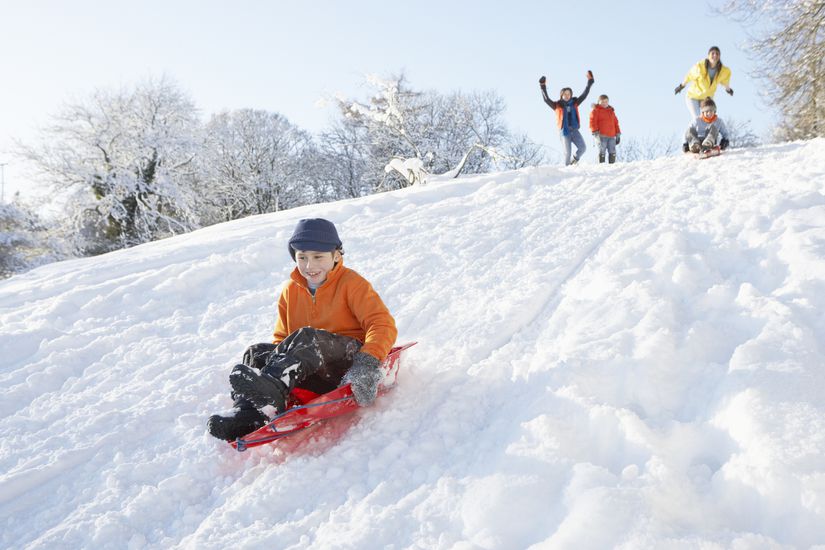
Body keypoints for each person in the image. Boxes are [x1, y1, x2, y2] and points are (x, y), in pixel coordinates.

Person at [207, 218, 398, 441]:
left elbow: (382, 323)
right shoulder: (291, 290)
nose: (309, 266)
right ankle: (249, 413)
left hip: (347, 362)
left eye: (318, 257)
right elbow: (281, 338)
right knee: (256, 351)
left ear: (336, 255)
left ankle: (274, 391)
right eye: (302, 257)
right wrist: (272, 359)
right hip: (309, 369)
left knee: (307, 336)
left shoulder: (352, 284)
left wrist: (367, 363)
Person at [540, 70, 595, 165]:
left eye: (568, 94)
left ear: (571, 95)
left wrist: (590, 82)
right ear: (561, 95)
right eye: (565, 94)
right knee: (567, 153)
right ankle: (567, 170)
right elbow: (546, 99)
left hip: (574, 130)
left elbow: (584, 94)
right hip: (564, 132)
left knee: (583, 148)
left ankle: (574, 160)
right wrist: (542, 86)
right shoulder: (557, 105)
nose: (567, 95)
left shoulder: (575, 103)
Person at [674, 46, 733, 120]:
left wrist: (728, 89)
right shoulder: (700, 67)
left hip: (706, 98)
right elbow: (689, 76)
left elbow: (725, 80)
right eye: (713, 53)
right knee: (698, 118)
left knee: (708, 118)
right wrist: (681, 86)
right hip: (693, 97)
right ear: (708, 56)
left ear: (719, 56)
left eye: (717, 54)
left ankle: (709, 131)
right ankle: (693, 130)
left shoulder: (722, 71)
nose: (715, 55)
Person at [589, 94, 622, 164]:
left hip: (611, 136)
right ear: (599, 102)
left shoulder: (611, 112)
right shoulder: (596, 110)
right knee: (602, 150)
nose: (604, 103)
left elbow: (616, 123)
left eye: (606, 102)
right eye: (602, 102)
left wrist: (618, 134)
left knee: (612, 150)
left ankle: (612, 165)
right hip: (601, 135)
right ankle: (601, 166)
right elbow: (592, 121)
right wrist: (595, 132)